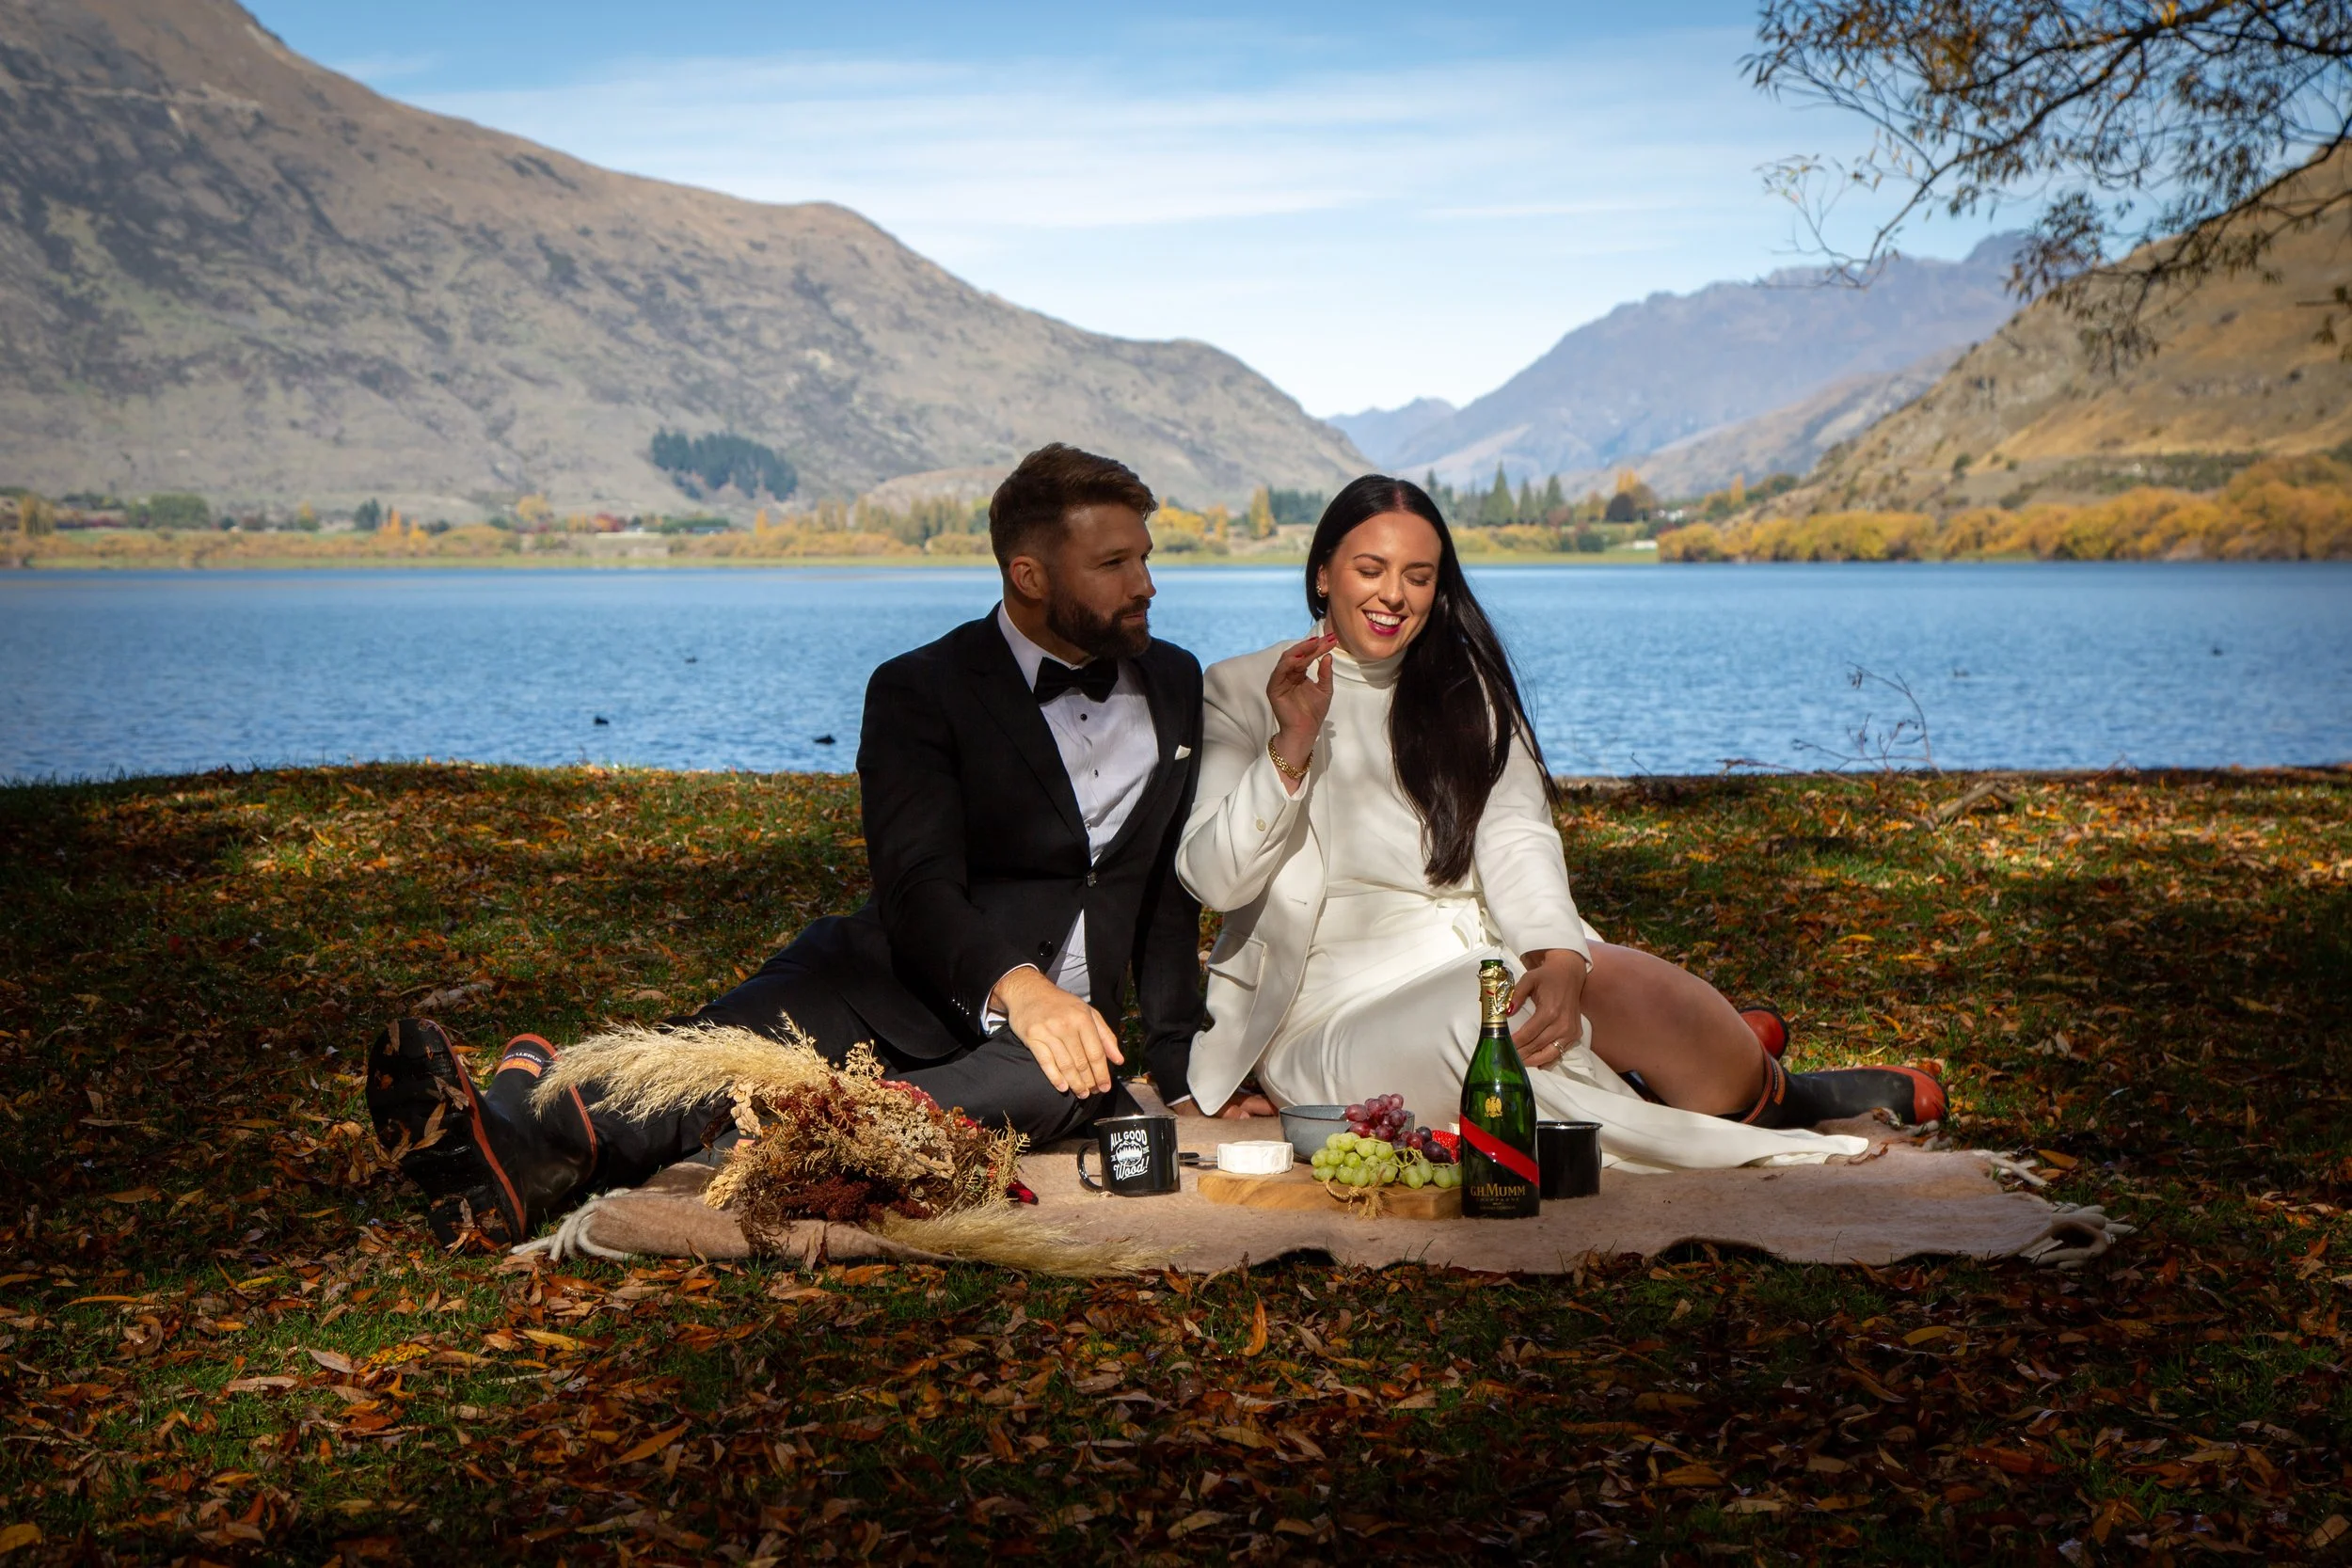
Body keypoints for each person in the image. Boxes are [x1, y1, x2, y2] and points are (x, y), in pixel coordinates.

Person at [368, 443, 1215, 1244]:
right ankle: (512, 1140)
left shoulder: (1172, 679)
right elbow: (916, 884)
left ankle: (750, 1141)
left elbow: (1166, 895)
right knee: (696, 1062)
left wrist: (1180, 1071)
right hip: (886, 977)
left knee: (1057, 1080)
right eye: (1114, 564)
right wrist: (1018, 985)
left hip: (1047, 1046)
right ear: (1028, 576)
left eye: (1144, 556)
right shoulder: (920, 688)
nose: (1145, 583)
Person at [1173, 475, 1943, 1171]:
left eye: (1419, 575)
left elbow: (1516, 834)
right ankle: (1768, 1118)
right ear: (1322, 573)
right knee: (1490, 1012)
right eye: (1370, 569)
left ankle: (1769, 1086)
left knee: (1602, 974)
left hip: (1478, 953)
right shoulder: (1244, 688)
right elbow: (1212, 877)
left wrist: (1562, 954)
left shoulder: (1464, 689)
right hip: (1326, 1020)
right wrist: (1290, 748)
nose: (1394, 595)